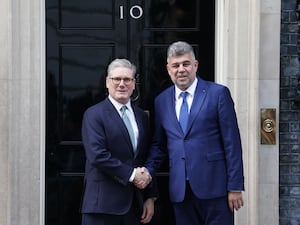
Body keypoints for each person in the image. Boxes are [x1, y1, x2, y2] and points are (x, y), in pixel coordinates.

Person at [144, 41, 245, 225]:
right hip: (180, 191)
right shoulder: (161, 101)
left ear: (195, 65)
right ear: (168, 69)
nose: (181, 69)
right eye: (175, 65)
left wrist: (235, 186)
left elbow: (232, 143)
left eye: (186, 64)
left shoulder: (218, 94)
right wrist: (147, 171)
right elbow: (159, 145)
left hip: (216, 189)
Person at [81, 58, 157, 225]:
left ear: (134, 83)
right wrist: (132, 175)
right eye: (117, 79)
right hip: (102, 206)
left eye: (127, 79)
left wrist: (150, 196)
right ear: (107, 82)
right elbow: (97, 155)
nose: (122, 84)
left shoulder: (142, 117)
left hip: (134, 207)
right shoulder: (94, 115)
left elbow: (145, 156)